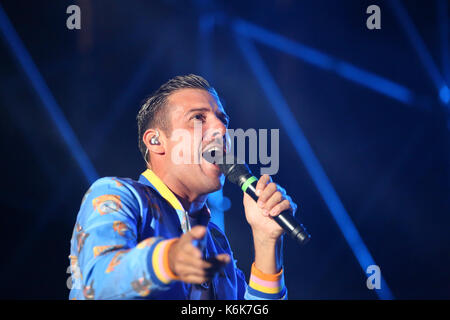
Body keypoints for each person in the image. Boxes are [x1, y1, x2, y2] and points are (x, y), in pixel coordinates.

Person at [68, 74, 297, 300]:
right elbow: (94, 285)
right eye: (198, 118)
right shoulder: (119, 196)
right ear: (156, 141)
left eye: (223, 120)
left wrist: (267, 241)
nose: (222, 130)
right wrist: (167, 260)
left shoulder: (215, 241)